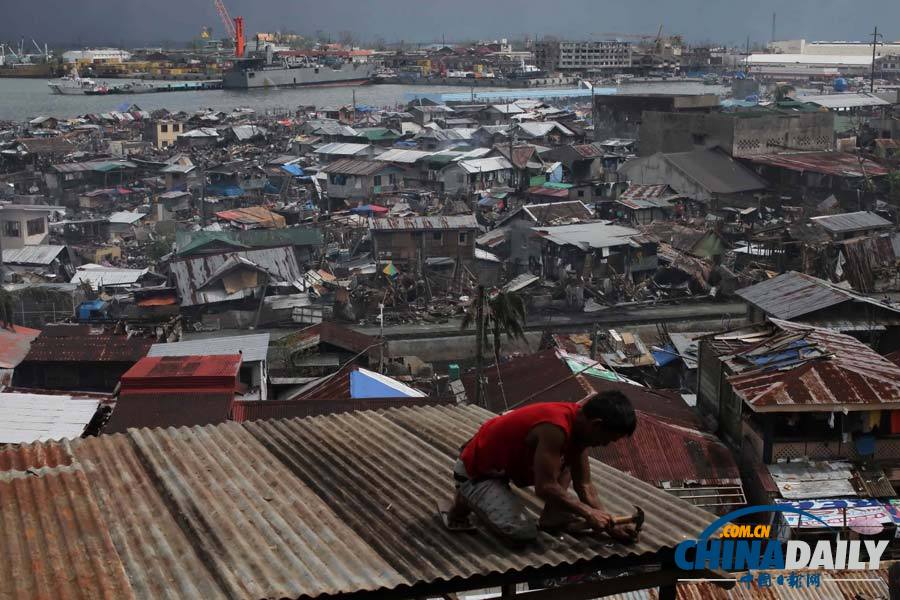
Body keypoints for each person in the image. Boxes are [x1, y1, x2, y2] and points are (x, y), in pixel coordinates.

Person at [447, 391, 637, 545]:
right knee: (522, 533)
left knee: (567, 461)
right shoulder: (555, 427)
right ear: (597, 425)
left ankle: (552, 518)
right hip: (476, 471)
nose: (605, 445)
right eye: (607, 439)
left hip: (503, 468)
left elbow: (585, 485)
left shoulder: (581, 426)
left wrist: (610, 524)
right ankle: (465, 498)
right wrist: (588, 512)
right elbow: (545, 487)